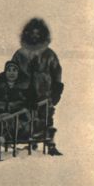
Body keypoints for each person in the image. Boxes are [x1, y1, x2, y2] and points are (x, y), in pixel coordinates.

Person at [11, 18, 64, 155]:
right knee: (27, 117)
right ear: (27, 34)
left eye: (38, 33)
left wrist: (57, 89)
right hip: (24, 94)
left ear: (42, 35)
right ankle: (31, 142)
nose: (35, 36)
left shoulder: (49, 54)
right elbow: (12, 72)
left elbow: (56, 71)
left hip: (44, 93)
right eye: (32, 33)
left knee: (47, 117)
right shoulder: (20, 54)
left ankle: (50, 144)